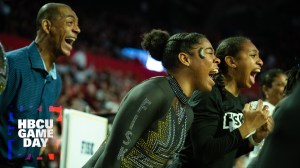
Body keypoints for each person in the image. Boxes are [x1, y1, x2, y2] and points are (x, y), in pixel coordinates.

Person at [83, 29, 220, 168]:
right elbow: (111, 158)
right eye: (209, 52)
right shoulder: (154, 92)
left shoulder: (187, 113)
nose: (217, 59)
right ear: (185, 59)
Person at [0, 3, 80, 167]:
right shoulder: (13, 65)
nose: (77, 30)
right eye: (70, 22)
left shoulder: (57, 81)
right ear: (47, 26)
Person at [178, 36, 273, 168]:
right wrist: (247, 127)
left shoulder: (240, 101)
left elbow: (225, 152)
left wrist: (254, 139)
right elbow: (203, 153)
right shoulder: (208, 94)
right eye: (253, 55)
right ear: (231, 61)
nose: (261, 62)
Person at [248, 65, 300, 168]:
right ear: (266, 89)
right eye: (280, 84)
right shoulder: (256, 108)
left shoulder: (284, 109)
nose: (284, 89)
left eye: (286, 84)